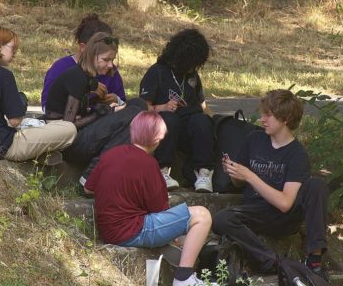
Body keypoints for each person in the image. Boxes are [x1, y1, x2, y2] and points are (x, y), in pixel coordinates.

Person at [85, 111, 214, 286]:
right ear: (156, 141)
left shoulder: (110, 154)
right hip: (132, 230)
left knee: (184, 234)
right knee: (202, 215)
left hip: (108, 230)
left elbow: (88, 188)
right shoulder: (149, 164)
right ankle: (184, 278)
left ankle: (180, 254)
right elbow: (160, 209)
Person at [212, 89, 329, 281]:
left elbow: (285, 203)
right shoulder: (254, 139)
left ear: (285, 119)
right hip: (255, 210)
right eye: (263, 113)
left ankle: (314, 259)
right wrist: (235, 172)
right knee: (221, 219)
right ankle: (273, 262)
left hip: (283, 217)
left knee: (317, 185)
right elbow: (239, 183)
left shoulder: (297, 154)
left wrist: (250, 176)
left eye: (269, 115)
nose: (262, 119)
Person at [0, 25, 76, 163]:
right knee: (69, 128)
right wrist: (21, 101)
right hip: (2, 147)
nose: (15, 53)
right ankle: (40, 154)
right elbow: (15, 120)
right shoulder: (3, 75)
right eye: (13, 48)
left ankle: (40, 155)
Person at [45, 31, 147, 184]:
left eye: (112, 60)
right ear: (92, 55)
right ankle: (93, 174)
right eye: (106, 60)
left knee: (138, 105)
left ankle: (96, 174)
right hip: (69, 144)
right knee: (134, 113)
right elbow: (67, 126)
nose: (110, 65)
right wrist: (104, 113)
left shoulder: (88, 77)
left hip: (79, 136)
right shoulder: (77, 77)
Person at [139, 28, 214, 192]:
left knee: (201, 120)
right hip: (164, 129)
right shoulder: (157, 72)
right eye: (193, 62)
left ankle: (203, 173)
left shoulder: (192, 76)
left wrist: (214, 121)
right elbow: (141, 107)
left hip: (189, 130)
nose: (194, 67)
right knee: (170, 119)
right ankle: (162, 171)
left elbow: (202, 106)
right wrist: (162, 107)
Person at [41, 13, 125, 111]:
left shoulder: (110, 70)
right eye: (105, 58)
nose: (110, 64)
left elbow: (123, 105)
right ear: (83, 48)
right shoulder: (61, 68)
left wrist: (117, 100)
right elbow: (47, 107)